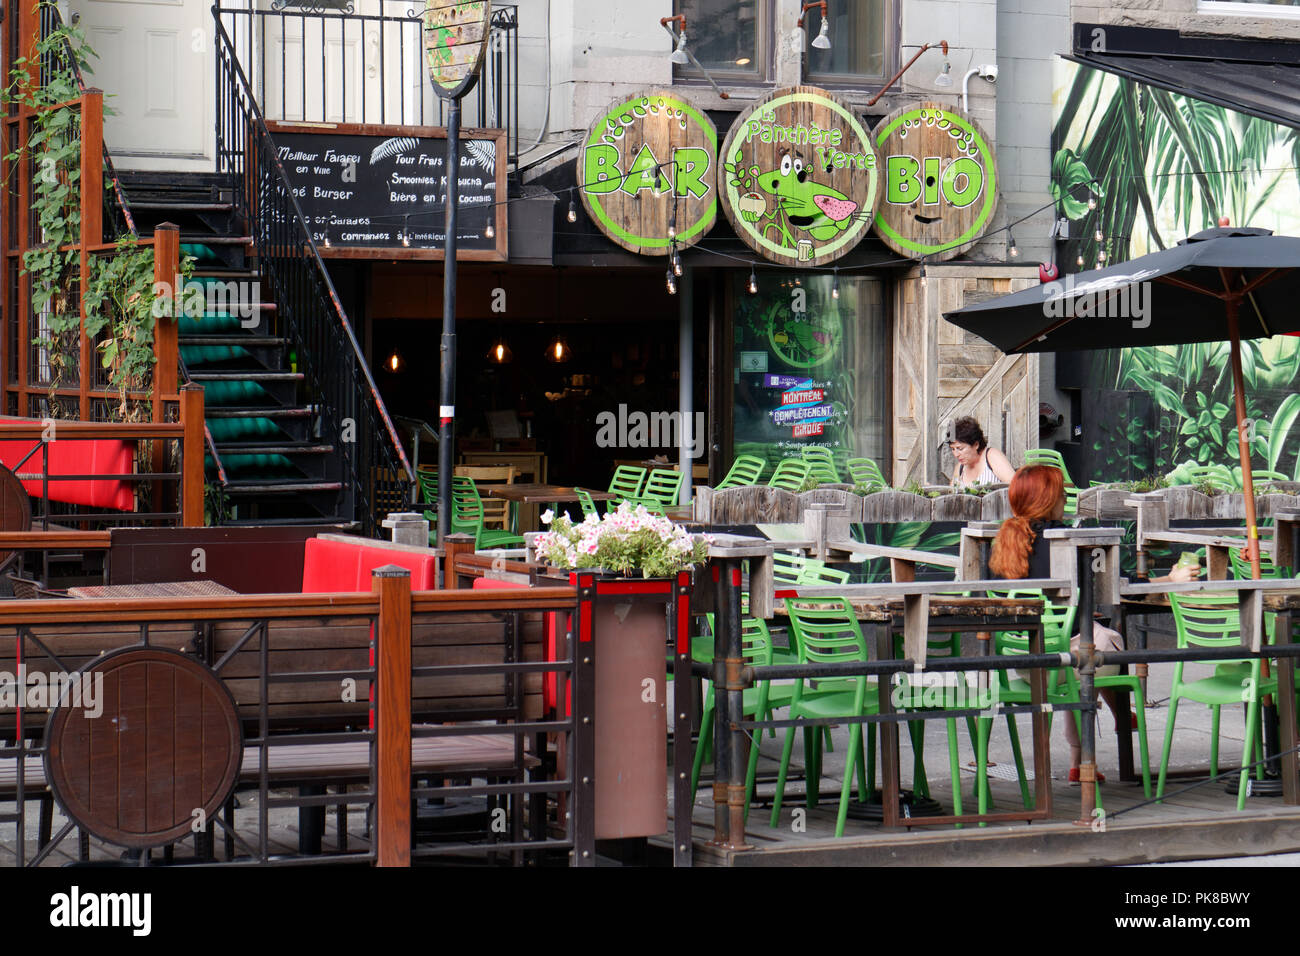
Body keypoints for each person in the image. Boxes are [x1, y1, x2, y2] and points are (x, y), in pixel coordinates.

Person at [989, 465, 1198, 781]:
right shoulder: (1070, 543)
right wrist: (1170, 577)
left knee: (1083, 651)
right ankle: (1109, 728)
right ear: (1047, 499)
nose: (1064, 498)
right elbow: (1117, 586)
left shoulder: (1003, 543)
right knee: (1100, 645)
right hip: (1065, 663)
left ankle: (1082, 761)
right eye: (1060, 492)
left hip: (1023, 664)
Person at [948, 416, 1016, 489]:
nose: (956, 454)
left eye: (960, 448)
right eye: (953, 449)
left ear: (976, 444)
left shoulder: (992, 457)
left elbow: (1017, 487)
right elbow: (951, 495)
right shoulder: (960, 468)